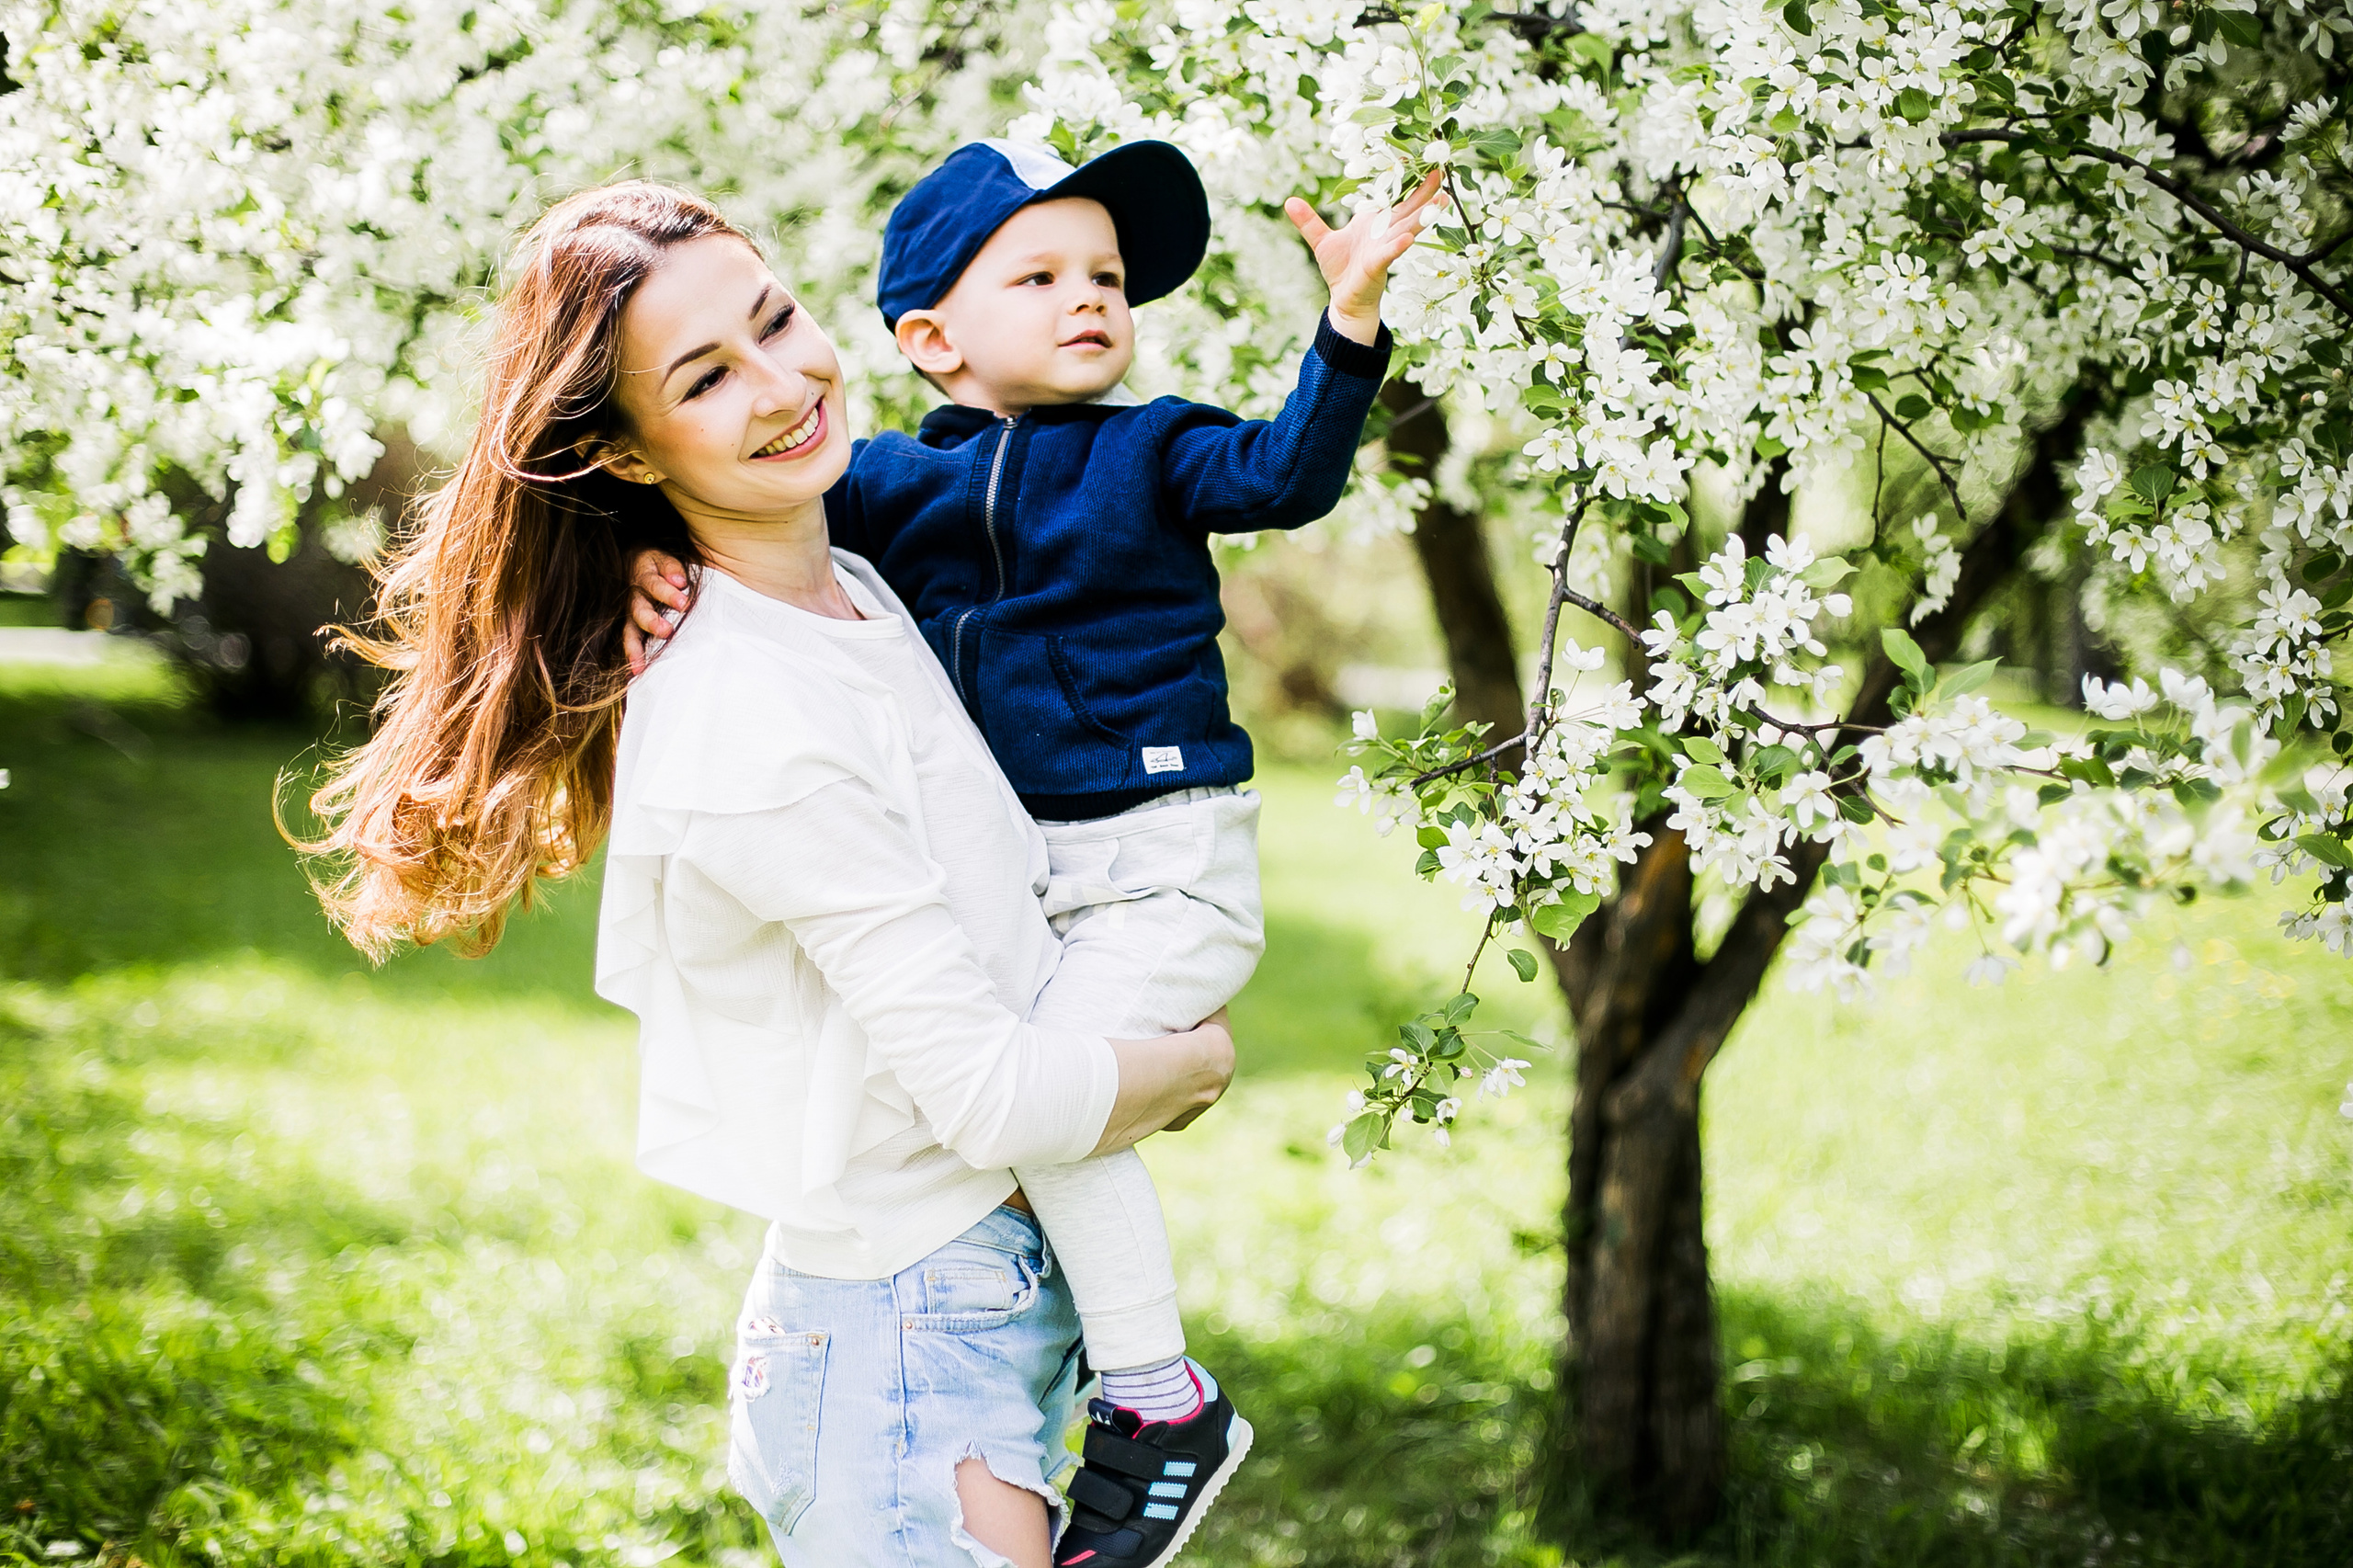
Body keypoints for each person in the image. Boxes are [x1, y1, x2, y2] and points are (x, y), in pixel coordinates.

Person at [291, 181, 1242, 1568]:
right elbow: (988, 1094)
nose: (786, 380)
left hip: (971, 1313)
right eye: (708, 377)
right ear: (620, 449)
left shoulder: (855, 583)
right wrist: (1196, 1060)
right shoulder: (758, 717)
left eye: (777, 320)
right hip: (901, 1355)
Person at [622, 141, 1439, 1568]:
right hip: (914, 1276)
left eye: (1109, 280)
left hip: (1162, 846)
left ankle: (1154, 1394)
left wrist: (1350, 322)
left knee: (1068, 1090)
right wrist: (632, 562)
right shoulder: (882, 504)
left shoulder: (1149, 448)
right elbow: (673, 493)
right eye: (1043, 275)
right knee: (1067, 1091)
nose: (1090, 304)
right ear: (930, 338)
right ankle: (1153, 1393)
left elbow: (1286, 469)